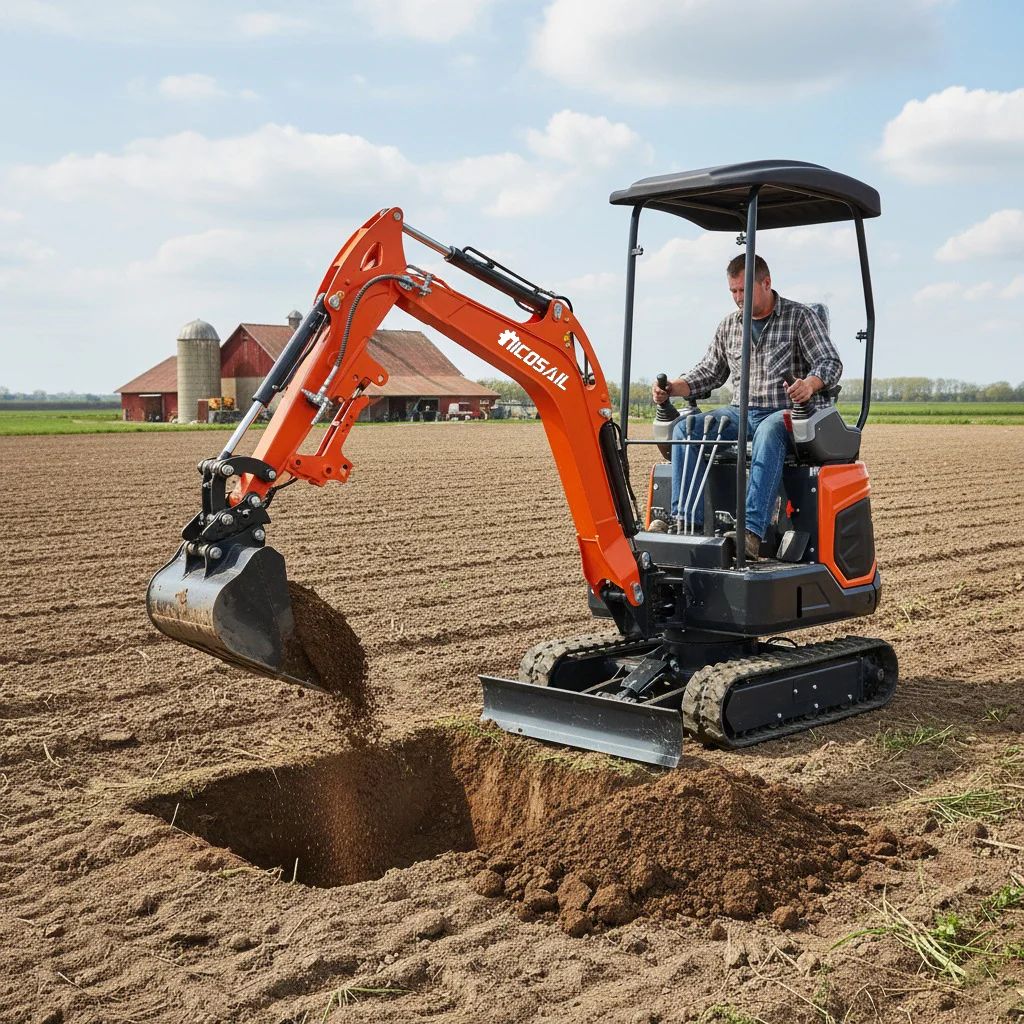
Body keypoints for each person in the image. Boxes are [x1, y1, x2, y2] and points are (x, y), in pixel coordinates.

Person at [650, 254, 842, 559]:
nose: (738, 298)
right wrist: (673, 388)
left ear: (766, 283)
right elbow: (709, 372)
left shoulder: (800, 317)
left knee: (768, 431)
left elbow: (830, 362)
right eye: (733, 292)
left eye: (744, 291)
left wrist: (810, 384)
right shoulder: (729, 326)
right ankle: (686, 525)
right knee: (687, 427)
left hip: (786, 412)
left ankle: (751, 532)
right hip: (740, 412)